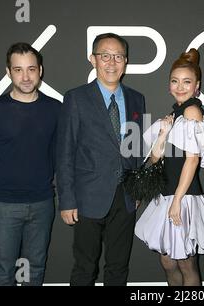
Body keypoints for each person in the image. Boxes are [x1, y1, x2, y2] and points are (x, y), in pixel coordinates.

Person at [56, 33, 146, 286]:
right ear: (93, 59)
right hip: (87, 196)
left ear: (125, 61)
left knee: (118, 267)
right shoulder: (76, 98)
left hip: (125, 197)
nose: (111, 62)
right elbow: (64, 151)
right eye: (105, 56)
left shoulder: (136, 99)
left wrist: (137, 189)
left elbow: (135, 148)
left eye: (118, 56)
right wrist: (67, 199)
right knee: (85, 267)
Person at [0, 42, 60, 286]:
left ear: (40, 71)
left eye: (31, 69)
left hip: (42, 202)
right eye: (18, 69)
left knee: (36, 270)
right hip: (3, 204)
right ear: (8, 72)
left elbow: (57, 152)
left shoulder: (55, 110)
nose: (25, 76)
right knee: (3, 271)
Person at [135, 48, 204, 286]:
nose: (180, 86)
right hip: (167, 194)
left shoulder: (192, 111)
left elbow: (193, 159)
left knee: (185, 263)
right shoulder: (175, 113)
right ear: (169, 84)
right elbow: (154, 160)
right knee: (168, 262)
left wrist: (177, 201)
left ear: (197, 86)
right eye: (175, 81)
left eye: (187, 82)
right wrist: (162, 135)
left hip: (183, 197)